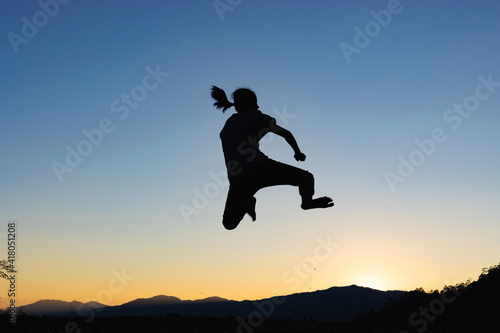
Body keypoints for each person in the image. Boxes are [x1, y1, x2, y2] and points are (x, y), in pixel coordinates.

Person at [211, 86, 333, 230]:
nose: (258, 105)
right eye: (255, 101)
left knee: (229, 224)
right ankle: (306, 202)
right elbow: (285, 133)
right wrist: (297, 152)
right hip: (260, 169)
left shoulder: (230, 122)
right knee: (306, 177)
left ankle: (247, 203)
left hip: (238, 179)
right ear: (250, 103)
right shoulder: (255, 116)